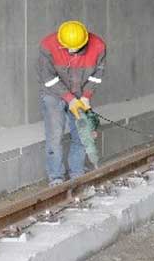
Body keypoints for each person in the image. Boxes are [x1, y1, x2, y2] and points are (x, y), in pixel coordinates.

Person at [38, 21, 107, 186]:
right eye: (67, 48)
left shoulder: (98, 46)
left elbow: (97, 75)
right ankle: (56, 177)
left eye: (75, 49)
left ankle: (77, 172)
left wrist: (85, 97)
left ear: (84, 42)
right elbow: (48, 78)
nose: (70, 51)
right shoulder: (48, 45)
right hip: (53, 94)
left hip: (81, 92)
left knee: (82, 135)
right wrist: (69, 99)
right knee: (55, 135)